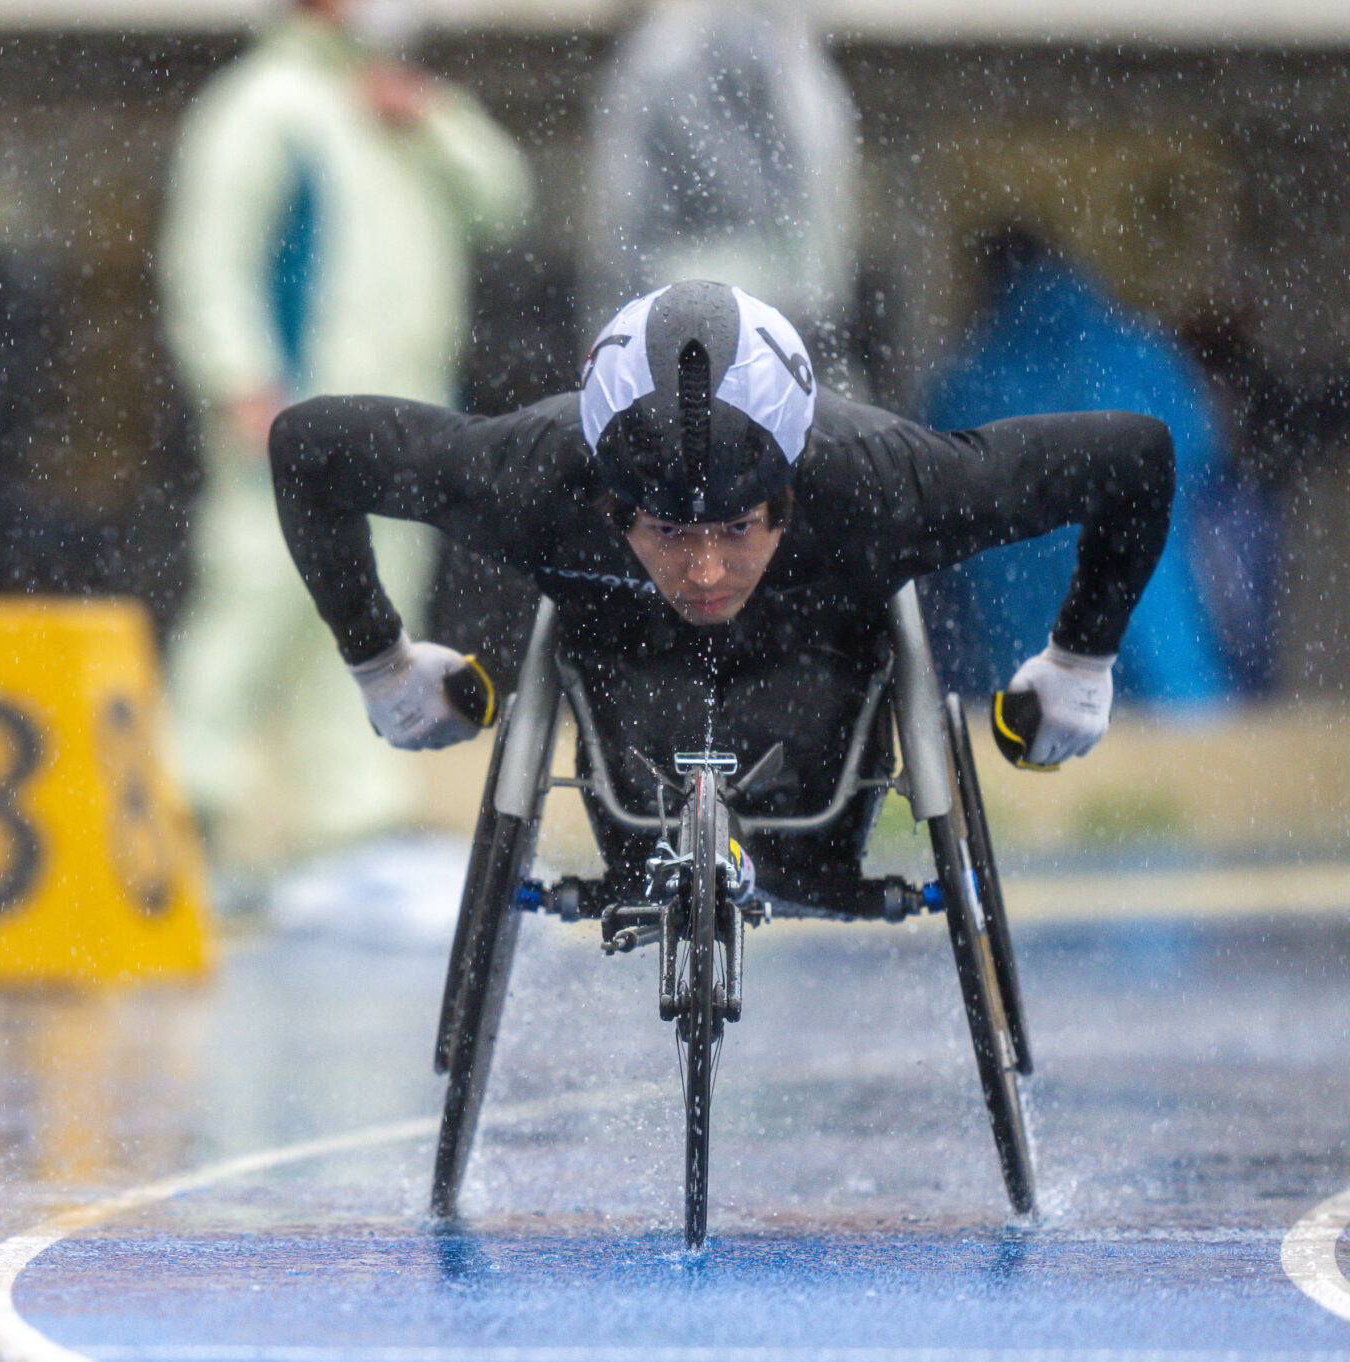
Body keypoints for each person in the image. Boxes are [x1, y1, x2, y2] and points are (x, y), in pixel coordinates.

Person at [269, 279, 1173, 915]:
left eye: (737, 528)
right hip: (626, 682)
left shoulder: (881, 485)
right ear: (605, 496)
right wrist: (379, 660)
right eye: (667, 531)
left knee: (807, 819)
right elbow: (304, 446)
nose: (704, 571)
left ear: (793, 486)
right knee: (634, 663)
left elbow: (1136, 456)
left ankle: (792, 847)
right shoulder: (534, 478)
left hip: (824, 692)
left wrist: (1080, 660)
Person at [158, 0, 533, 870]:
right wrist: (239, 382)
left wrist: (430, 116)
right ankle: (182, 819)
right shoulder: (264, 106)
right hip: (291, 423)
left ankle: (349, 830)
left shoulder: (399, 107)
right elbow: (209, 260)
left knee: (375, 624)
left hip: (401, 428)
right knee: (253, 605)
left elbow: (503, 201)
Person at [927, 225, 1226, 706]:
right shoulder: (1135, 352)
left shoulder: (966, 381)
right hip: (1161, 654)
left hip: (1024, 654)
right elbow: (1206, 457)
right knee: (1176, 772)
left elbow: (933, 507)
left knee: (1047, 760)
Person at [583, 0, 861, 382]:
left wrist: (613, 320)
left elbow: (625, 210)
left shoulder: (657, 63)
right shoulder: (787, 63)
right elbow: (818, 196)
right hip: (774, 305)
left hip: (670, 304)